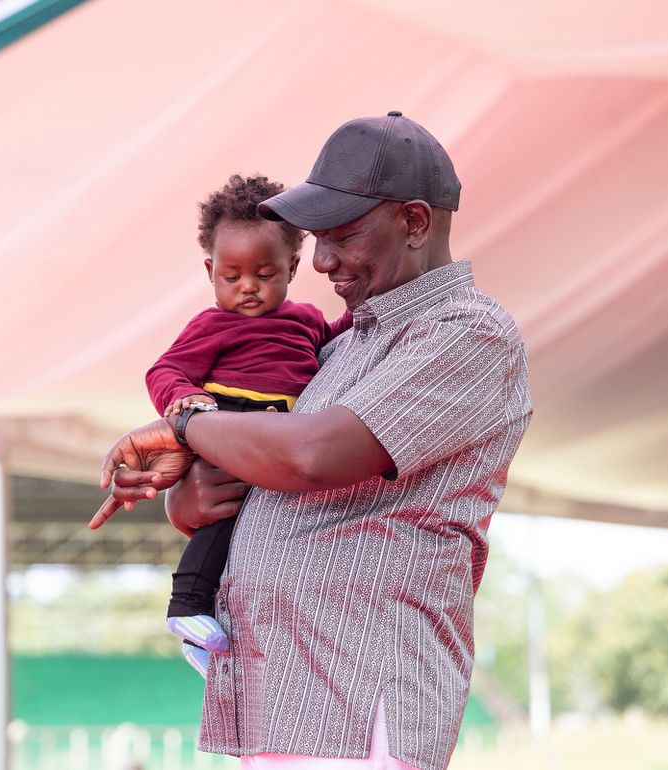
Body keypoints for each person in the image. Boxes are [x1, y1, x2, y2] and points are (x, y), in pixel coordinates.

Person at [90, 111, 532, 770]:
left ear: (414, 222)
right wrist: (188, 490)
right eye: (317, 239)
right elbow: (266, 468)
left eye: (341, 236)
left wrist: (183, 423)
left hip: (358, 699)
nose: (320, 261)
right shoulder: (340, 344)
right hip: (279, 696)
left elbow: (311, 456)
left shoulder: (467, 333)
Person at [135, 174, 352, 677]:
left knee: (253, 532)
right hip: (230, 422)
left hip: (282, 434)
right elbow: (164, 370)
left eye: (264, 273)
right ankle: (186, 606)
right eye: (231, 276)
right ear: (210, 270)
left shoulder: (306, 320)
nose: (248, 287)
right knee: (224, 519)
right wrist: (185, 401)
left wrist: (371, 311)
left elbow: (341, 338)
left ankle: (204, 634)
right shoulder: (213, 325)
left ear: (292, 267)